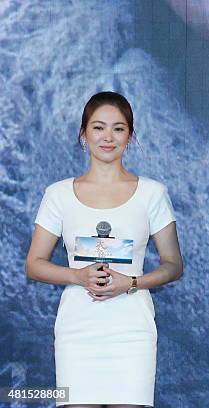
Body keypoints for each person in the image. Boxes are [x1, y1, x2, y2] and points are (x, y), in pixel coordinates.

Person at [25, 91, 183, 407]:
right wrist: (78, 275)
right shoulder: (58, 195)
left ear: (130, 135)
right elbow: (34, 263)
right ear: (84, 134)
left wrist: (131, 283)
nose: (107, 137)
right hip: (77, 331)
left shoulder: (152, 193)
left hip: (132, 332)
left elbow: (173, 264)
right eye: (98, 127)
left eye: (118, 128)